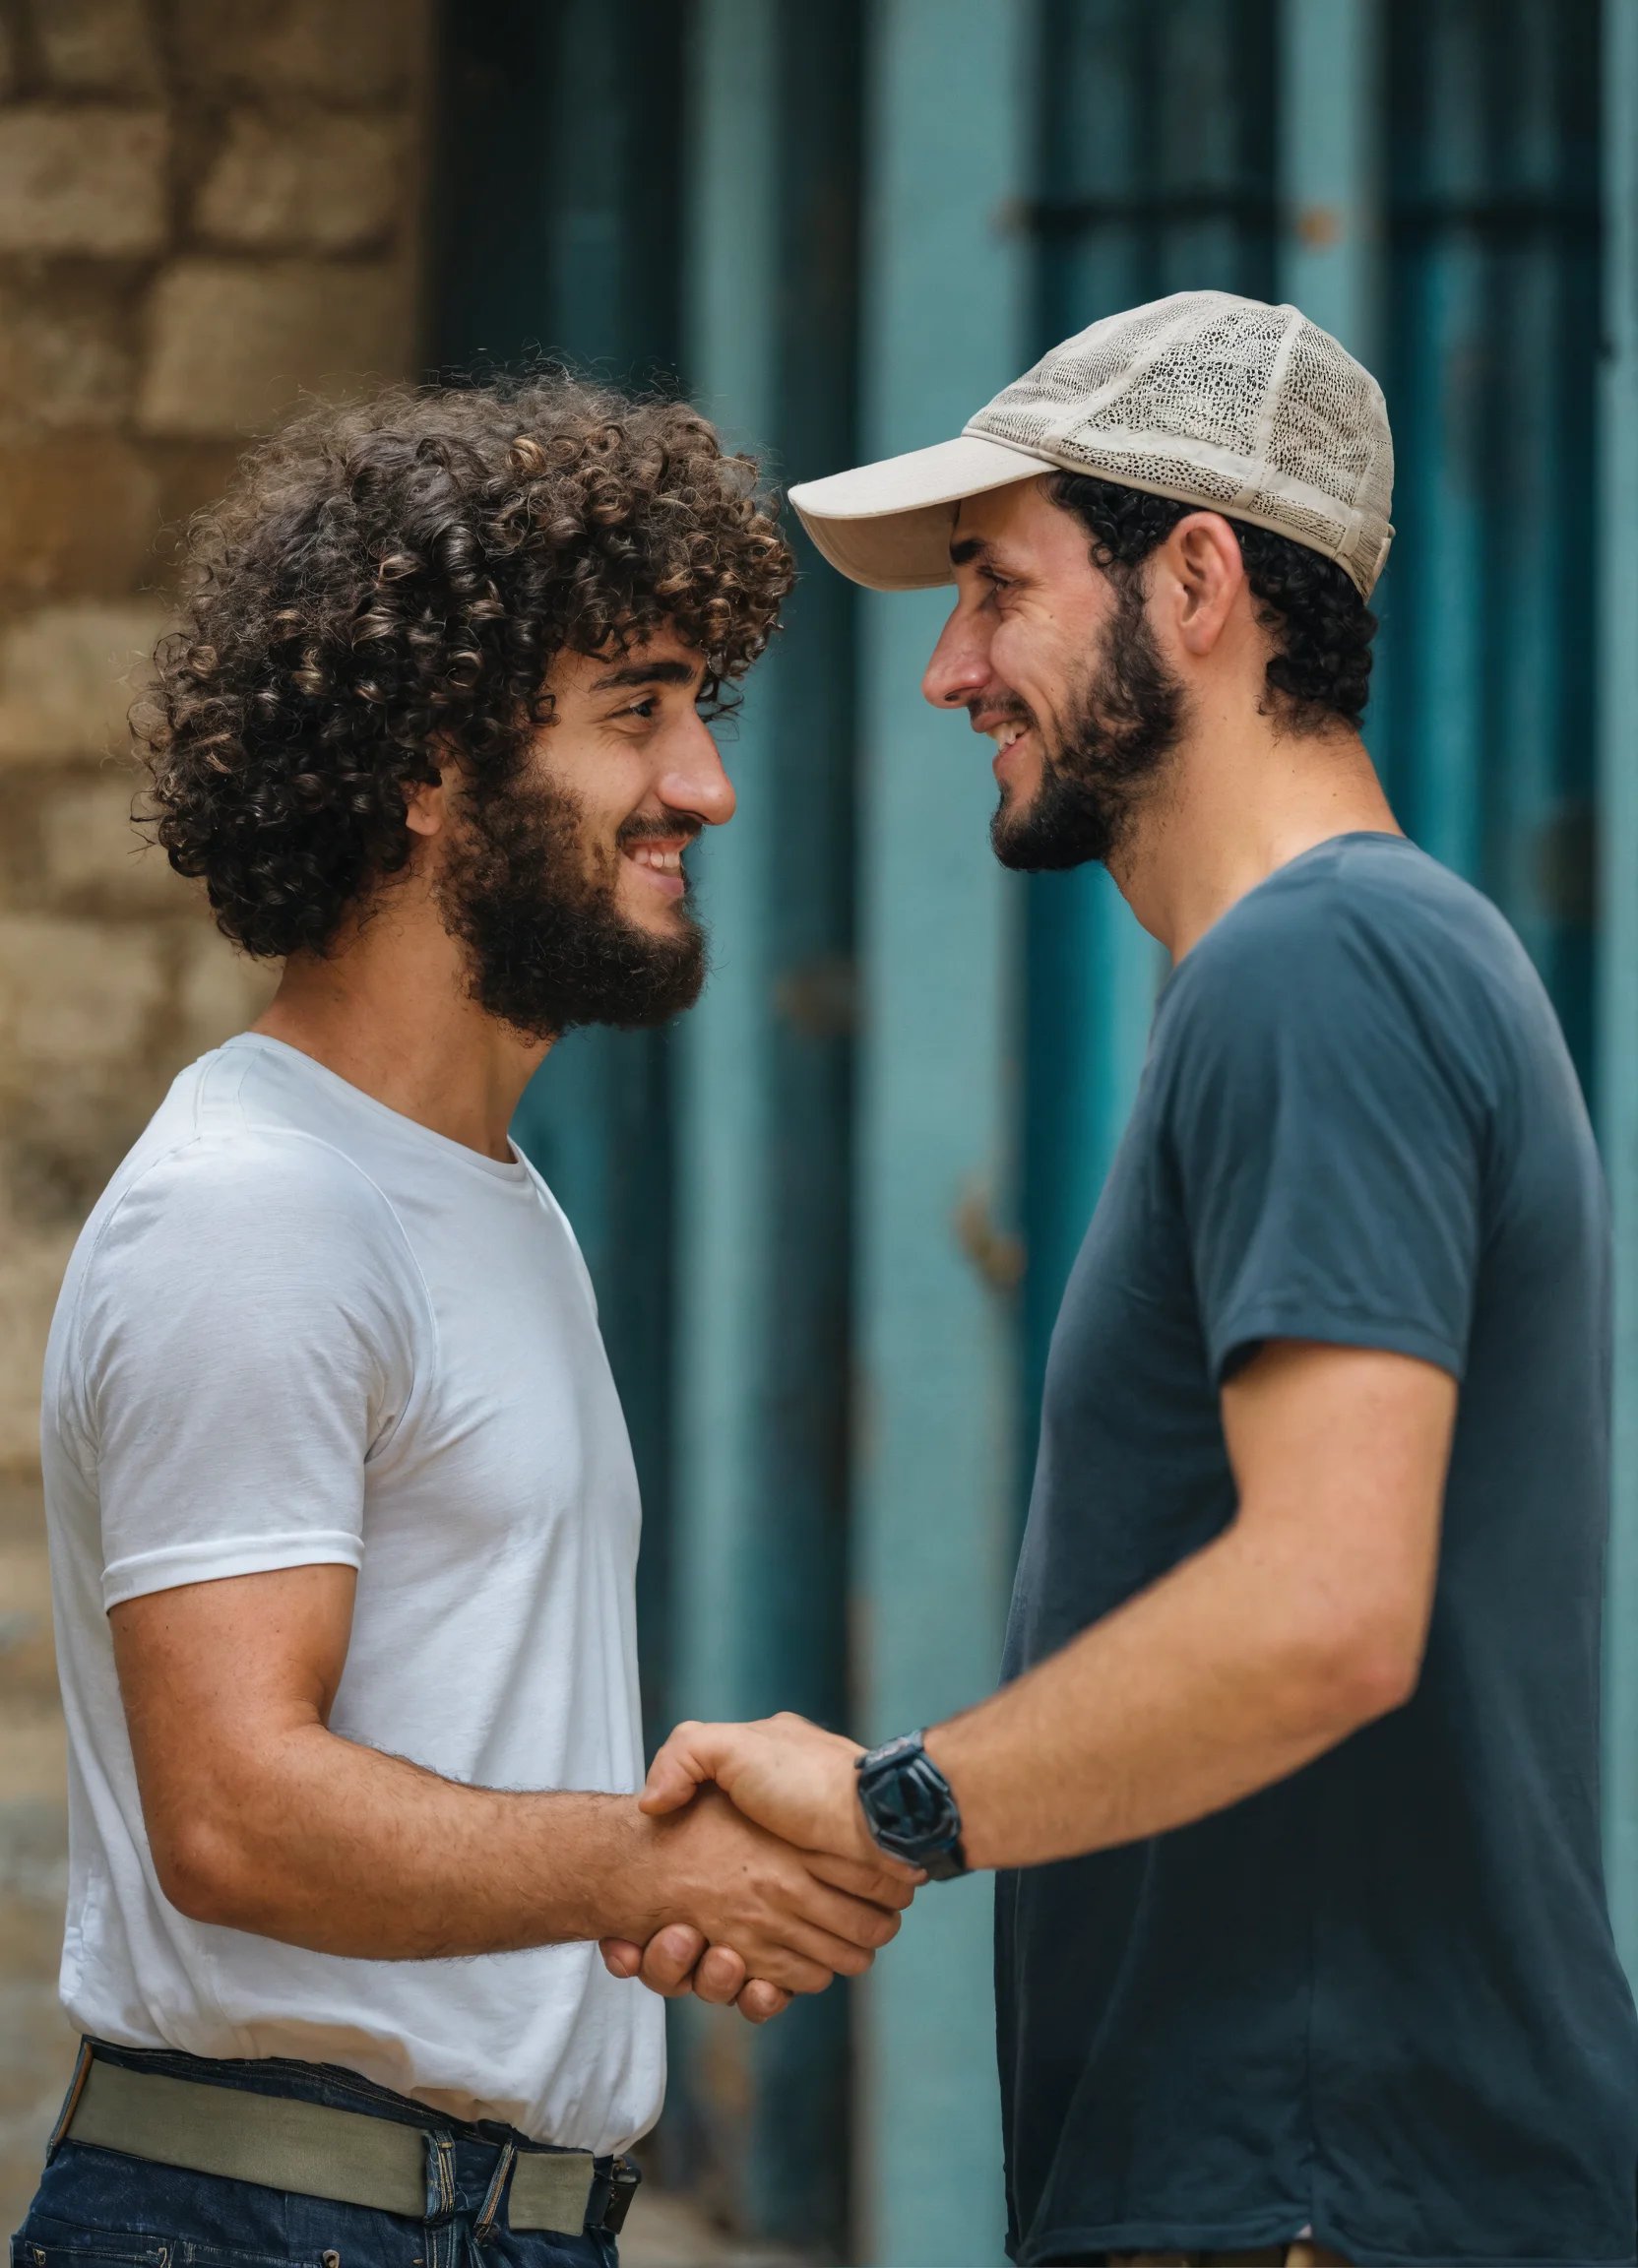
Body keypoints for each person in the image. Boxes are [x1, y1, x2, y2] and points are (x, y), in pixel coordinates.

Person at [601, 292, 1638, 2266]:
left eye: (998, 591)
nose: (948, 670)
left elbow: (1327, 1610)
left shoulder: (1318, 966)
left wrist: (895, 1810)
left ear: (1195, 584)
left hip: (1319, 2204)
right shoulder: (1349, 964)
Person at [16, 376, 915, 2268]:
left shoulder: (483, 1193)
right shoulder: (263, 1205)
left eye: (700, 710)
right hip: (283, 2222)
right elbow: (234, 1816)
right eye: (636, 711)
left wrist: (646, 1889)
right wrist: (654, 1864)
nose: (704, 786)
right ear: (429, 766)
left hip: (465, 2220)